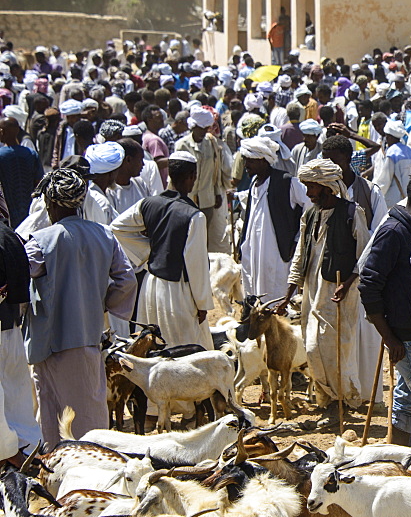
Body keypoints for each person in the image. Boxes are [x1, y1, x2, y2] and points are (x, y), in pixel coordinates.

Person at [25, 168, 136, 446]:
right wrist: (102, 304)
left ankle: (58, 476)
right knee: (87, 418)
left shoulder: (40, 242)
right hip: (85, 339)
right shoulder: (104, 236)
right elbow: (126, 280)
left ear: (50, 204)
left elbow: (18, 274)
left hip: (44, 344)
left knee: (50, 415)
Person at [278, 158, 371, 424]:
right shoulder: (310, 214)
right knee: (312, 347)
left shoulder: (354, 213)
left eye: (311, 187)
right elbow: (300, 255)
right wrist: (288, 294)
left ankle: (341, 402)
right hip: (312, 291)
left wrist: (349, 282)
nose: (308, 193)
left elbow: (364, 255)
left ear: (328, 187)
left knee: (335, 347)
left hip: (339, 291)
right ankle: (326, 398)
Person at [359, 169, 411, 445]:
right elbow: (368, 284)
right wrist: (388, 336)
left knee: (408, 402)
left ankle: (397, 453)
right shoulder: (394, 232)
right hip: (405, 335)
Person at [110, 152, 214, 350]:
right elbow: (196, 264)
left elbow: (117, 227)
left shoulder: (148, 203)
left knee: (153, 348)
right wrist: (202, 304)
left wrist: (149, 252)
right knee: (184, 350)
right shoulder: (194, 216)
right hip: (178, 292)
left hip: (150, 287)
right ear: (192, 176)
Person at [237, 136, 308, 304]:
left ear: (263, 160)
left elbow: (309, 204)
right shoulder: (255, 182)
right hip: (254, 250)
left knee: (277, 292)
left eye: (250, 161)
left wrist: (298, 239)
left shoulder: (286, 181)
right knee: (254, 292)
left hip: (277, 250)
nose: (246, 165)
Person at [0, 218, 42, 458]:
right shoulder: (9, 234)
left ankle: (9, 454)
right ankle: (26, 450)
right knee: (16, 393)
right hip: (12, 325)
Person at [173, 106, 227, 252]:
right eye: (201, 128)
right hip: (187, 200)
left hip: (207, 200)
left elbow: (215, 170)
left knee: (204, 240)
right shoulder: (181, 145)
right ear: (194, 127)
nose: (204, 132)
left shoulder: (211, 143)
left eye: (206, 128)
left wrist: (216, 192)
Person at [0, 116, 43, 228]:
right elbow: (39, 184)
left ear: (2, 132)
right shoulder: (31, 154)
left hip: (7, 214)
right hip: (30, 213)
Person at [372, 120, 411, 208]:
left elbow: (385, 179)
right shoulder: (410, 150)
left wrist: (373, 192)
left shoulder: (392, 152)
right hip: (409, 197)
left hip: (394, 200)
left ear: (390, 137)